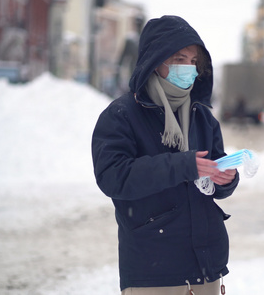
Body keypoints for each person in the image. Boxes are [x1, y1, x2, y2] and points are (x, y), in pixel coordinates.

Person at [91, 15, 239, 295]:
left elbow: (214, 172)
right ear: (154, 60)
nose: (189, 68)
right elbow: (113, 177)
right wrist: (183, 165)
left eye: (193, 61)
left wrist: (225, 179)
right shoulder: (121, 115)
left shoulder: (202, 117)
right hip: (154, 273)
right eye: (179, 58)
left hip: (207, 268)